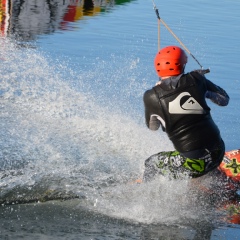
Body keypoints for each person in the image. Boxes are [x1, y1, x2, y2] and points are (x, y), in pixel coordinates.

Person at [143, 45, 230, 181]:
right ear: (182, 65)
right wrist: (203, 84)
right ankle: (210, 175)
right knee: (200, 151)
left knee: (151, 163)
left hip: (194, 165)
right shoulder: (196, 79)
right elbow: (224, 100)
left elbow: (152, 127)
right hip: (219, 152)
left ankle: (146, 193)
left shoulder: (151, 96)